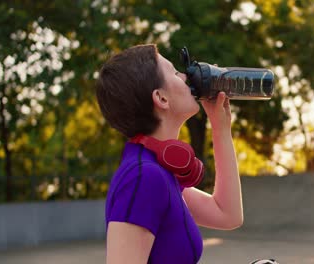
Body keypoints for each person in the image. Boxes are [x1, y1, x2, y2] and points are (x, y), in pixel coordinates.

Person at [96, 44, 243, 264]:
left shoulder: (159, 172)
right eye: (175, 72)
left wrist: (221, 128)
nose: (186, 76)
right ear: (161, 98)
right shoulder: (143, 177)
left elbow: (227, 214)